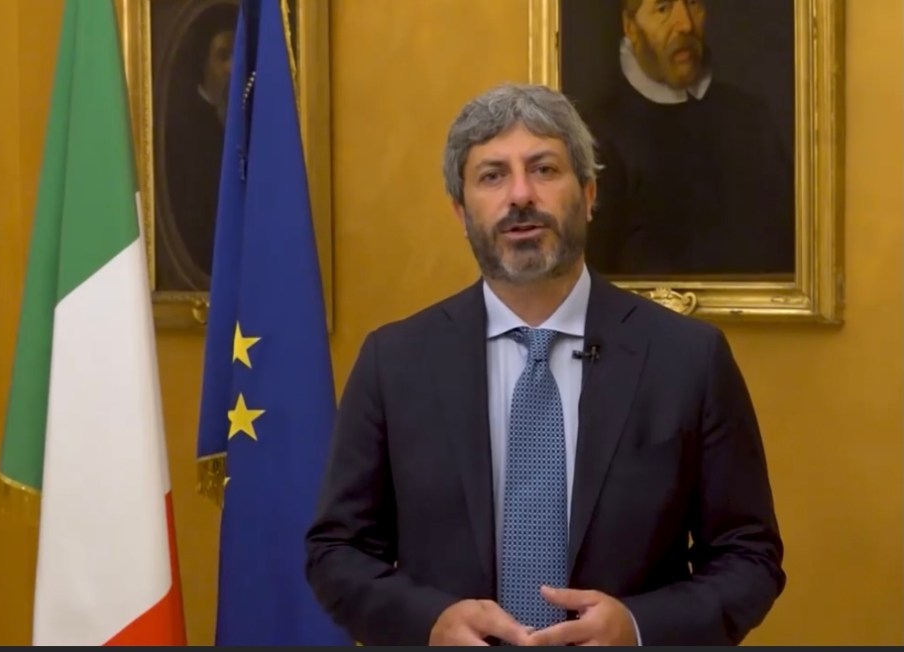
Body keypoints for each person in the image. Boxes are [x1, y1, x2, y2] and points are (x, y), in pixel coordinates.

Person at [304, 82, 785, 646]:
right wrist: (428, 623)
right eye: (492, 176)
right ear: (460, 211)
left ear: (589, 193)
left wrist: (638, 628)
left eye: (544, 169)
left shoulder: (688, 358)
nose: (520, 195)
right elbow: (337, 551)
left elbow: (749, 557)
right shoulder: (394, 363)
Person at [583, 0, 795, 277]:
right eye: (663, 8)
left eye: (693, 3)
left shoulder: (751, 118)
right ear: (630, 27)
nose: (685, 24)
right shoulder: (598, 135)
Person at [160, 2, 237, 287]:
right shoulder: (185, 132)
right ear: (202, 63)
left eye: (238, 55)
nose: (233, 68)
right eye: (223, 56)